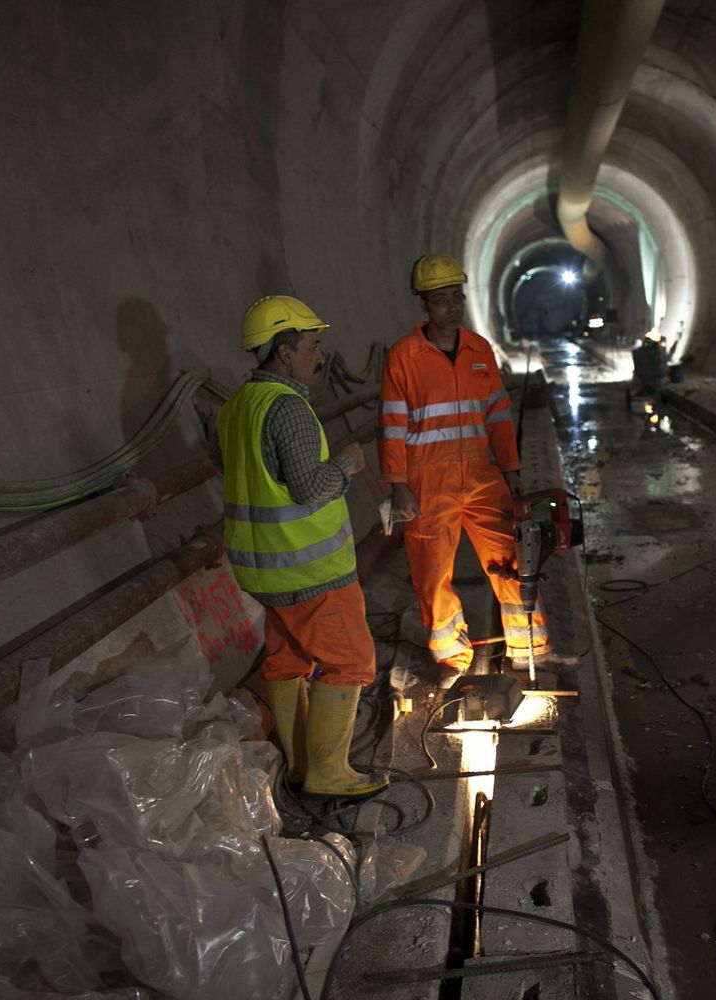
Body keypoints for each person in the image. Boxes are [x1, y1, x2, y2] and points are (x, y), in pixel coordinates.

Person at [214, 294, 387, 798]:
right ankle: (329, 773)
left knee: (287, 662)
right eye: (313, 344)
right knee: (350, 661)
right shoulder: (288, 407)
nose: (320, 355)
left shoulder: (236, 408)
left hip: (260, 570)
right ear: (285, 353)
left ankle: (298, 766)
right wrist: (349, 464)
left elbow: (243, 473)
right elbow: (310, 488)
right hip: (310, 570)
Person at [378, 253, 567, 682]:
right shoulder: (404, 357)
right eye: (441, 299)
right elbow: (390, 423)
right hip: (429, 480)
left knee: (512, 560)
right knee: (431, 573)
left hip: (482, 476)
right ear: (423, 304)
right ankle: (450, 656)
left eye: (457, 297)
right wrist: (398, 484)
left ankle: (529, 647)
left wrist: (511, 468)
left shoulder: (479, 350)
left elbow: (499, 413)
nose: (452, 307)